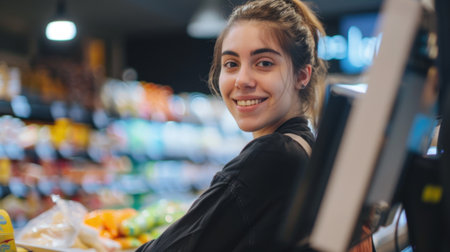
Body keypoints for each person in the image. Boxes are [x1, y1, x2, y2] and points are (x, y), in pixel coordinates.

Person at [137, 0, 371, 251]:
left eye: (264, 63)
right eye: (231, 64)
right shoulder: (303, 147)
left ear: (302, 75)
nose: (242, 80)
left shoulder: (272, 155)